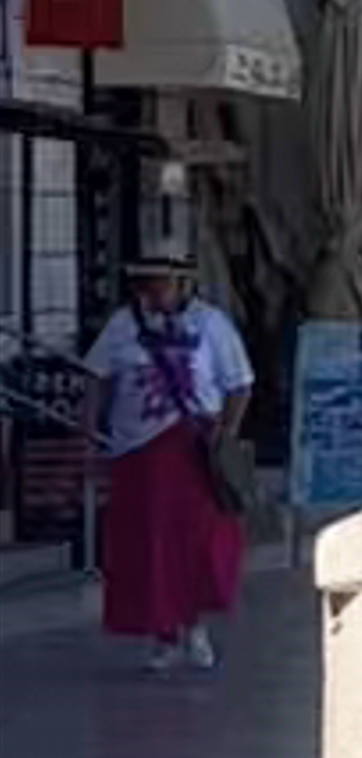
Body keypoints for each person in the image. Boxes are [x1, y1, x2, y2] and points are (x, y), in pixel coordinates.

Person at [83, 229, 254, 673]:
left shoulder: (212, 325)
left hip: (194, 450)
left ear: (181, 283)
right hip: (139, 450)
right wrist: (90, 434)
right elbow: (96, 378)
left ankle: (193, 624)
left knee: (198, 543)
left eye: (159, 281)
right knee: (149, 543)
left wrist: (226, 433)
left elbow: (239, 383)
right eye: (144, 282)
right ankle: (161, 633)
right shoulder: (122, 326)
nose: (151, 290)